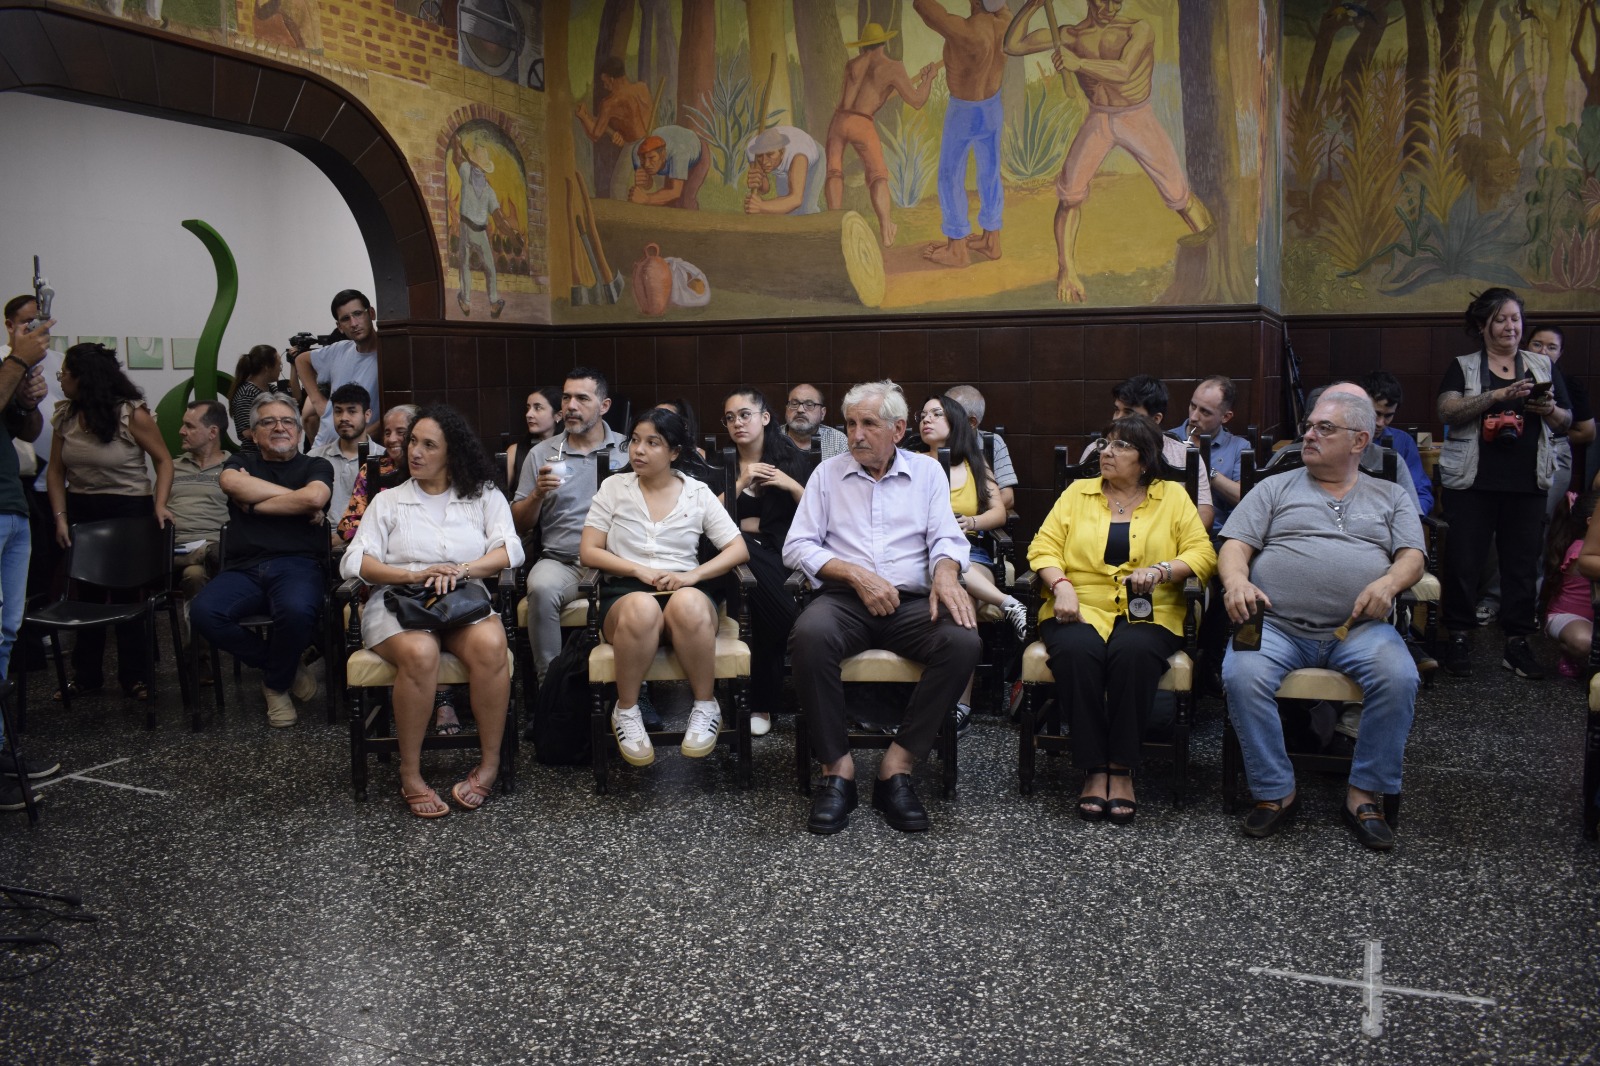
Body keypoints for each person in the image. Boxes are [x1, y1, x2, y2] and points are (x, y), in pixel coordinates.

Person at [1219, 390, 1424, 851]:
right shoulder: (1275, 487)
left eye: (1324, 428)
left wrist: (1389, 584)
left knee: (1399, 677)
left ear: (1359, 441)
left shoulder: (1389, 494)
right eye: (1310, 426)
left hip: (1360, 628)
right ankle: (1275, 790)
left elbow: (1413, 555)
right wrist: (1236, 582)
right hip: (1276, 623)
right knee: (1240, 673)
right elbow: (1235, 545)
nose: (1309, 435)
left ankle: (1363, 794)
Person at [784, 380, 981, 835]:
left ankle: (897, 767)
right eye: (851, 423)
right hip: (844, 600)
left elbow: (947, 537)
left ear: (897, 429)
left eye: (868, 424)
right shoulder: (827, 475)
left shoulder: (927, 473)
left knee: (962, 641)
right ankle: (837, 771)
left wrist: (946, 571)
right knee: (809, 636)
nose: (856, 434)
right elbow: (797, 547)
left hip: (911, 602)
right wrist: (855, 575)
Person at [1029, 414, 1215, 823]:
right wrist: (1061, 585)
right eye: (1104, 443)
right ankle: (1094, 768)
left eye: (1120, 446)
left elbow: (1202, 553)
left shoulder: (1172, 496)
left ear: (1145, 460)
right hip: (1078, 602)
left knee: (1134, 652)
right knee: (1076, 652)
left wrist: (1163, 570)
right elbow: (1043, 546)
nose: (1106, 452)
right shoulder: (1077, 493)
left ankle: (1122, 767)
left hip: (1151, 608)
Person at [342, 405, 522, 818]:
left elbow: (510, 550)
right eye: (412, 443)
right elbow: (355, 561)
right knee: (421, 652)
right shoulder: (389, 501)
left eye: (428, 445)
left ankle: (490, 764)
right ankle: (410, 773)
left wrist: (462, 570)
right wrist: (413, 573)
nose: (415, 452)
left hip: (461, 598)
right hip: (398, 600)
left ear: (452, 452)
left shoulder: (483, 495)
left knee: (491, 644)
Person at [1004, 0, 1213, 303]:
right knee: (1069, 195)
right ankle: (1067, 270)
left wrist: (1078, 63)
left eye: (1118, 0)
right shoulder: (1071, 35)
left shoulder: (1138, 30)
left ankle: (1212, 260)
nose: (1111, 7)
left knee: (1179, 196)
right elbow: (1012, 45)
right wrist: (1032, 5)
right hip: (1099, 117)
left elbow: (1124, 70)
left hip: (1137, 118)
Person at [580, 408, 748, 767]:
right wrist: (637, 569)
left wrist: (693, 576)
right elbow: (589, 550)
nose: (639, 450)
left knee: (688, 603)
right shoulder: (614, 488)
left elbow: (738, 549)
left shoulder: (697, 492)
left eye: (652, 443)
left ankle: (705, 706)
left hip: (683, 589)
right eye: (635, 441)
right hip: (625, 596)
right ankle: (627, 710)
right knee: (641, 607)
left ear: (674, 452)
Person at [1436, 287, 1570, 680]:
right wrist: (1498, 395)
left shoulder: (1542, 366)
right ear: (1483, 325)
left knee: (1522, 565)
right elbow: (1447, 409)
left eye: (1515, 318)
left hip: (1528, 482)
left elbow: (1567, 421)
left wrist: (1550, 409)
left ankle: (1517, 643)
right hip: (1471, 482)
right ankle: (1458, 636)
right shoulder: (1464, 366)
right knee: (1464, 561)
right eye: (1500, 319)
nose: (1510, 326)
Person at [190, 393, 333, 726]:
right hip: (243, 568)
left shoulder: (316, 465)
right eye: (268, 422)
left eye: (287, 421)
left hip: (298, 565)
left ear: (299, 431)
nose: (279, 427)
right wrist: (299, 502)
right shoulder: (242, 462)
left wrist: (254, 503)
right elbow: (229, 481)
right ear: (254, 434)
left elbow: (315, 496)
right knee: (203, 612)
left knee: (296, 611)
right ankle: (282, 668)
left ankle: (275, 686)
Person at [46, 343, 173, 702]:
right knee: (86, 596)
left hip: (128, 510)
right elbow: (55, 472)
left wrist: (160, 504)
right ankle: (86, 676)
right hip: (82, 510)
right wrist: (60, 518)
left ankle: (136, 676)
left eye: (65, 373)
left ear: (84, 378)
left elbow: (164, 460)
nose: (61, 379)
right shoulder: (66, 415)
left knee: (127, 596)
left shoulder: (131, 414)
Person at [914, 393, 1030, 731]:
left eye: (936, 413)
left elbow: (998, 511)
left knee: (960, 588)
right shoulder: (911, 462)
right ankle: (1009, 604)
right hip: (921, 552)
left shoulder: (974, 462)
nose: (926, 419)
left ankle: (960, 705)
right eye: (923, 414)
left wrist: (971, 522)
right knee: (953, 587)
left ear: (955, 422)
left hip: (971, 549)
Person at [512, 368, 627, 683]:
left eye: (582, 398)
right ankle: (550, 687)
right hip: (563, 560)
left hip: (618, 561)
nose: (571, 406)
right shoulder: (542, 453)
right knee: (541, 588)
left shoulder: (627, 450)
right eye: (566, 398)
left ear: (604, 406)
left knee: (639, 596)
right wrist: (537, 494)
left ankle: (635, 688)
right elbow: (519, 523)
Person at [722, 387, 812, 737]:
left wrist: (791, 486)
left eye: (745, 414)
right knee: (736, 545)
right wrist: (741, 482)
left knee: (756, 605)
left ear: (764, 418)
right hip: (733, 564)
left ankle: (753, 703)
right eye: (730, 418)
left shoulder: (793, 461)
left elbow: (819, 515)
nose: (737, 423)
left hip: (780, 558)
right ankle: (794, 629)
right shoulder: (721, 464)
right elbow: (705, 517)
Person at [0, 312, 60, 809]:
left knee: (5, 633)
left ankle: (1, 748)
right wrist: (18, 362)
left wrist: (27, 401)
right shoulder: (10, 362)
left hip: (12, 506)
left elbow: (26, 430)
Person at [826, 22, 941, 245]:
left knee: (834, 172)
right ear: (884, 42)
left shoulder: (852, 65)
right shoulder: (893, 68)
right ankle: (886, 229)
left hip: (839, 121)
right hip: (862, 123)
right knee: (878, 176)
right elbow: (917, 101)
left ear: (863, 45)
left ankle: (833, 227)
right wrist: (928, 79)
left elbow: (853, 96)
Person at [914, 0, 1008, 268]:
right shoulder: (1006, 21)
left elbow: (922, 6)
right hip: (992, 107)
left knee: (950, 175)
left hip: (964, 111)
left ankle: (956, 249)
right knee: (990, 172)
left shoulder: (965, 31)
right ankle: (991, 241)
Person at [1081, 375, 1213, 530]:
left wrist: (1174, 537)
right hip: (1100, 534)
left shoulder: (1184, 455)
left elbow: (1204, 512)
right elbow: (1077, 504)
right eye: (1117, 410)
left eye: (1128, 413)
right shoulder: (1097, 450)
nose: (1117, 419)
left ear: (1156, 419)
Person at [170, 401, 231, 644]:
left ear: (212, 432)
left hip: (219, 549)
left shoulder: (233, 470)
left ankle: (198, 657)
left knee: (195, 574)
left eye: (189, 426)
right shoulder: (171, 468)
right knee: (196, 568)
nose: (181, 431)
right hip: (173, 547)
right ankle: (202, 552)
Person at [294, 289, 380, 449]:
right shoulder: (339, 350)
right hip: (322, 448)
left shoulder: (389, 356)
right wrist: (317, 401)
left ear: (371, 313)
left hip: (357, 452)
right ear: (339, 326)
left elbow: (391, 413)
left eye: (358, 314)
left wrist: (362, 439)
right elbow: (301, 360)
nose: (354, 323)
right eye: (346, 319)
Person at [1526, 324, 1595, 516]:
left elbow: (1588, 432)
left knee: (1541, 517)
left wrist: (1548, 434)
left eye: (1551, 347)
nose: (1543, 352)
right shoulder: (1512, 377)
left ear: (1560, 353)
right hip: (1515, 454)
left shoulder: (1569, 384)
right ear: (1526, 346)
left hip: (1554, 454)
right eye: (1537, 344)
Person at [448, 130, 513, 319]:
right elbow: (457, 159)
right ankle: (475, 301)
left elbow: (498, 218)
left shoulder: (481, 184)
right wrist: (457, 145)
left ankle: (479, 302)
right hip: (470, 227)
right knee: (476, 265)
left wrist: (456, 145)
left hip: (475, 230)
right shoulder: (470, 174)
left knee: (475, 265)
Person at [1173, 376, 1248, 533]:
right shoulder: (1166, 440)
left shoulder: (1239, 447)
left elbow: (1245, 498)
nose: (1193, 417)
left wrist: (1205, 469)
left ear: (1225, 417)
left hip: (1219, 535)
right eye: (1193, 406)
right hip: (1171, 532)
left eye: (1205, 412)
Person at [576, 56, 654, 198]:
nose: (605, 86)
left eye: (605, 82)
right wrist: (615, 132)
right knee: (639, 185)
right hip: (651, 141)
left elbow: (595, 134)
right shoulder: (642, 88)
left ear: (611, 79)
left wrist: (583, 117)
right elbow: (636, 121)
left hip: (634, 147)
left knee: (617, 186)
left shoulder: (610, 103)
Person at [1359, 371, 1434, 518]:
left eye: (1388, 416)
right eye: (1376, 414)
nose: (1380, 423)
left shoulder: (1403, 442)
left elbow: (1421, 493)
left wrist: (1409, 519)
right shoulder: (1343, 439)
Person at [339, 404, 417, 543]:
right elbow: (348, 523)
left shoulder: (429, 471)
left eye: (401, 432)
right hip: (378, 546)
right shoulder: (371, 469)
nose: (391, 439)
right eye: (387, 433)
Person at [1539, 491, 1595, 679]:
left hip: (1594, 618)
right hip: (1569, 616)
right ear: (1591, 522)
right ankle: (1569, 653)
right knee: (1584, 642)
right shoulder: (1580, 552)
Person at [309, 383, 372, 535]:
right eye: (338, 411)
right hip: (319, 537)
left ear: (367, 415)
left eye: (352, 411)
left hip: (366, 538)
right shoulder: (314, 457)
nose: (343, 418)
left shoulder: (382, 458)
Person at [945, 384, 1017, 511]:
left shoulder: (993, 442)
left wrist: (974, 515)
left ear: (972, 422)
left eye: (951, 414)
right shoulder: (935, 442)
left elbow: (1008, 497)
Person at [744, 126, 824, 216]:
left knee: (807, 209)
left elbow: (796, 199)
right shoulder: (753, 151)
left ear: (782, 152)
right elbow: (765, 189)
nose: (764, 161)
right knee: (785, 209)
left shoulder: (798, 155)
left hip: (812, 157)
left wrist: (761, 206)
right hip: (783, 162)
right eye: (760, 156)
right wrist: (759, 182)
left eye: (770, 154)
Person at [628, 127, 711, 210]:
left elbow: (675, 192)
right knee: (670, 203)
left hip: (697, 158)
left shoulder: (678, 153)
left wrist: (647, 199)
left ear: (663, 154)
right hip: (676, 152)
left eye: (651, 158)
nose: (646, 164)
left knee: (686, 202)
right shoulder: (637, 152)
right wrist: (646, 182)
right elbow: (647, 185)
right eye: (643, 159)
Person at [506, 386, 561, 493]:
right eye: (528, 408)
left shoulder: (570, 449)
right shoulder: (515, 451)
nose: (528, 414)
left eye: (538, 408)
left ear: (558, 415)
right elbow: (498, 493)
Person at [229, 344, 281, 452]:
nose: (280, 369)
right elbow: (247, 432)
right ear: (267, 367)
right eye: (279, 365)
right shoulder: (246, 393)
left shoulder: (273, 390)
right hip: (255, 454)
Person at [783, 383, 848, 459]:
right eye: (794, 404)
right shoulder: (772, 437)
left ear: (822, 413)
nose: (800, 410)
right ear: (786, 409)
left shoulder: (838, 441)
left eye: (809, 405)